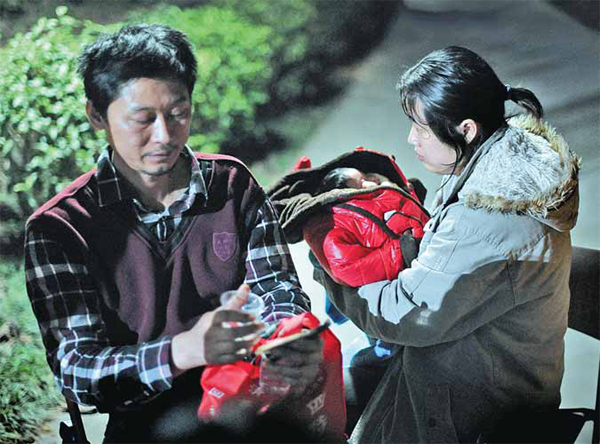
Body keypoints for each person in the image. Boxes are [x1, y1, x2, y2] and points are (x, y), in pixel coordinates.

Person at [24, 23, 324, 443]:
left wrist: (287, 340)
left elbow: (279, 290)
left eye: (178, 113)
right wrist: (182, 351)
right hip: (144, 427)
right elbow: (77, 373)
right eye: (142, 119)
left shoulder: (232, 185)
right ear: (97, 115)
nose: (164, 136)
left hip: (247, 408)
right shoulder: (61, 227)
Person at [314, 46, 580, 443]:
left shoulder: (489, 218)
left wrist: (330, 268)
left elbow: (404, 316)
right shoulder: (496, 165)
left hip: (475, 416)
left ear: (466, 129)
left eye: (421, 127)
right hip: (469, 376)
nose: (411, 138)